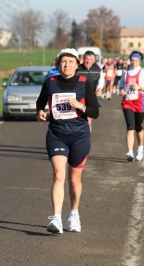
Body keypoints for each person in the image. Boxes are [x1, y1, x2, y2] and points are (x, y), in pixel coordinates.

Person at [36, 48, 99, 234]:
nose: (67, 65)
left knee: (74, 180)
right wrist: (40, 112)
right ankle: (56, 218)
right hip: (57, 134)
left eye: (71, 61)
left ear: (77, 64)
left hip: (80, 136)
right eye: (63, 61)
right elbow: (40, 103)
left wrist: (81, 106)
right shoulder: (50, 82)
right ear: (58, 64)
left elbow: (95, 111)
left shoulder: (84, 83)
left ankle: (74, 214)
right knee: (58, 174)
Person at [119, 51, 144, 161]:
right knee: (130, 127)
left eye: (136, 61)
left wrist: (139, 88)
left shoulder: (142, 72)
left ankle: (140, 148)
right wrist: (121, 91)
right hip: (127, 102)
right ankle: (129, 152)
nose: (133, 62)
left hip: (140, 102)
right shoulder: (126, 72)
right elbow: (121, 86)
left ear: (140, 61)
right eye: (132, 60)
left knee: (139, 128)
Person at [77, 50, 104, 132]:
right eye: (86, 59)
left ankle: (86, 138)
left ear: (94, 60)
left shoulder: (98, 69)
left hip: (91, 97)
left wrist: (99, 88)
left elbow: (101, 80)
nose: (88, 61)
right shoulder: (78, 69)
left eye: (91, 59)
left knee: (89, 119)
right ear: (83, 59)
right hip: (79, 96)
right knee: (77, 118)